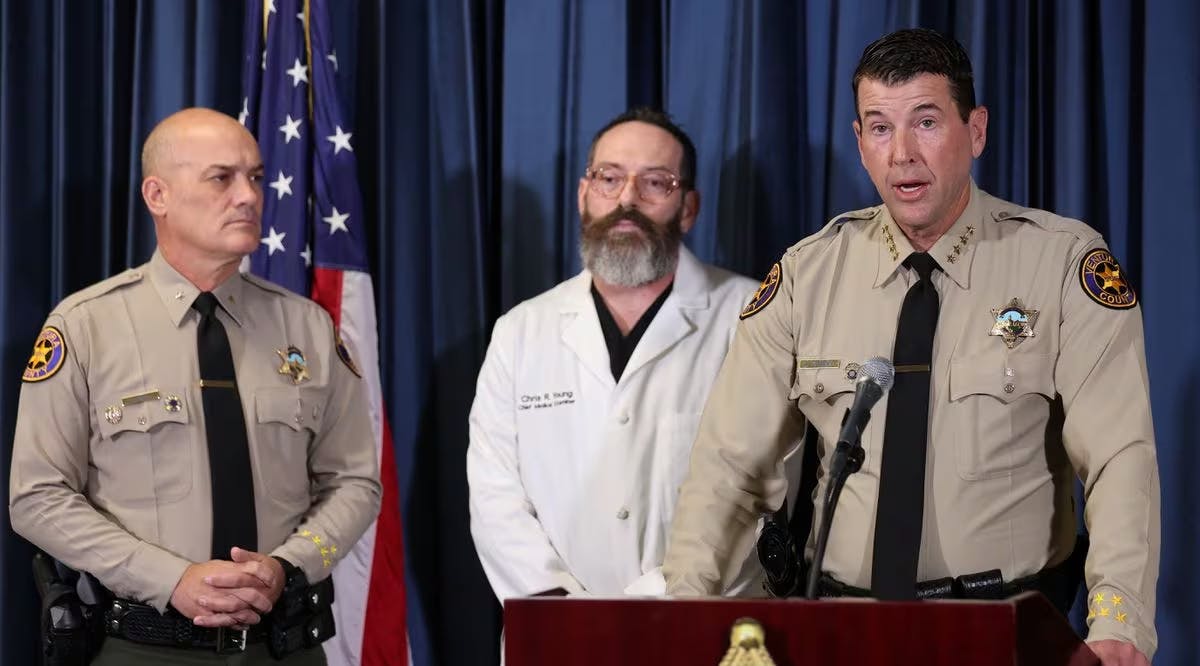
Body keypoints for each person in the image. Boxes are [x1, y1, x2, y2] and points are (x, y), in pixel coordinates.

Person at [662, 28, 1158, 666]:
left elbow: (1120, 456)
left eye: (925, 122)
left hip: (1006, 634)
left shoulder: (1063, 265)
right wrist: (679, 614)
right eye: (879, 127)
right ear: (859, 143)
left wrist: (1117, 617)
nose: (901, 154)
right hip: (838, 633)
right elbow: (729, 469)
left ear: (975, 131)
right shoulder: (806, 276)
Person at [9, 108, 382, 664]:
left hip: (282, 650)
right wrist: (171, 578)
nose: (249, 196)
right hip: (143, 645)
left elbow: (355, 483)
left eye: (256, 177)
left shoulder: (307, 327)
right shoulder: (85, 327)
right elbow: (36, 498)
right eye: (221, 177)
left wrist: (290, 566)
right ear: (157, 195)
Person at [467, 108, 763, 601]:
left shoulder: (753, 319)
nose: (627, 200)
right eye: (609, 178)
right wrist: (565, 614)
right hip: (556, 636)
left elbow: (762, 494)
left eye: (656, 183)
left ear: (689, 207)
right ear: (584, 195)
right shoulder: (520, 332)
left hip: (698, 625)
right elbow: (496, 498)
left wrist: (650, 610)